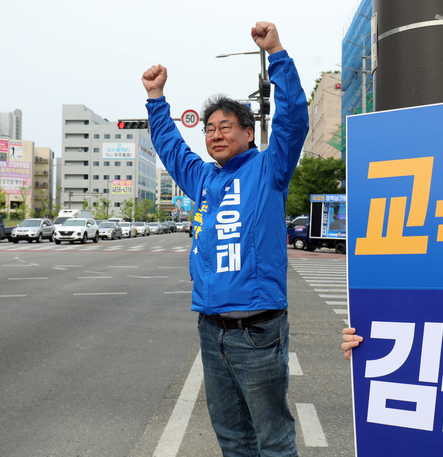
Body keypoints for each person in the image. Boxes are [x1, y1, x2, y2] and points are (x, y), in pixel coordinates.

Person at [142, 21, 308, 457]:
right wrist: (156, 100)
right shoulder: (202, 178)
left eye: (226, 127)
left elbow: (293, 117)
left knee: (273, 437)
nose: (215, 134)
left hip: (258, 330)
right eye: (210, 129)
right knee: (232, 438)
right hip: (211, 327)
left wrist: (277, 55)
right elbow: (173, 149)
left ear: (249, 133)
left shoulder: (269, 169)